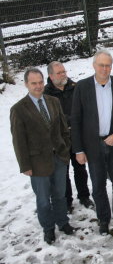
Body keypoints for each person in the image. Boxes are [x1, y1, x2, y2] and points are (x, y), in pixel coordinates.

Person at [71, 50, 113, 235]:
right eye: (101, 65)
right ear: (94, 65)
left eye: (108, 65)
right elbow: (75, 120)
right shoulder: (82, 87)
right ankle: (104, 219)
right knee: (98, 186)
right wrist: (79, 149)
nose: (104, 69)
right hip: (92, 146)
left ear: (111, 66)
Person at [11, 68, 75, 244]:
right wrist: (25, 165)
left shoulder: (53, 101)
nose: (38, 86)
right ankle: (48, 228)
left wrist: (65, 149)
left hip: (59, 159)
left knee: (60, 195)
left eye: (40, 82)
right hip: (37, 163)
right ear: (26, 84)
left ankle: (63, 222)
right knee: (43, 200)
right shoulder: (19, 109)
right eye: (34, 83)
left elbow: (63, 128)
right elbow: (19, 140)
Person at [44, 61, 94, 213]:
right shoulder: (46, 94)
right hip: (59, 139)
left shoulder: (75, 87)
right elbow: (51, 117)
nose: (63, 75)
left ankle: (84, 196)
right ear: (51, 76)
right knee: (62, 171)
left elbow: (85, 108)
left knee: (80, 168)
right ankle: (66, 201)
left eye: (64, 71)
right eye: (59, 73)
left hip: (77, 136)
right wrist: (71, 120)